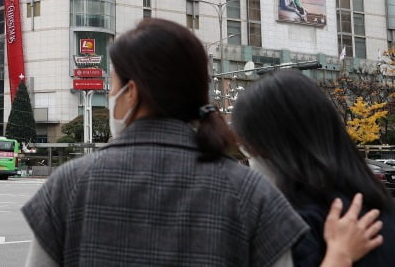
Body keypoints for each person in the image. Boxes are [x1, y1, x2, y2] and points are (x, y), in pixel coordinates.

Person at [21, 18, 380, 266]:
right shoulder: (252, 193)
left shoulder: (68, 186)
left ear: (131, 94)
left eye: (112, 85)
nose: (110, 94)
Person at [232, 69, 395, 266]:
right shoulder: (379, 203)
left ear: (275, 147)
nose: (250, 157)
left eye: (249, 147)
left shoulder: (291, 223)